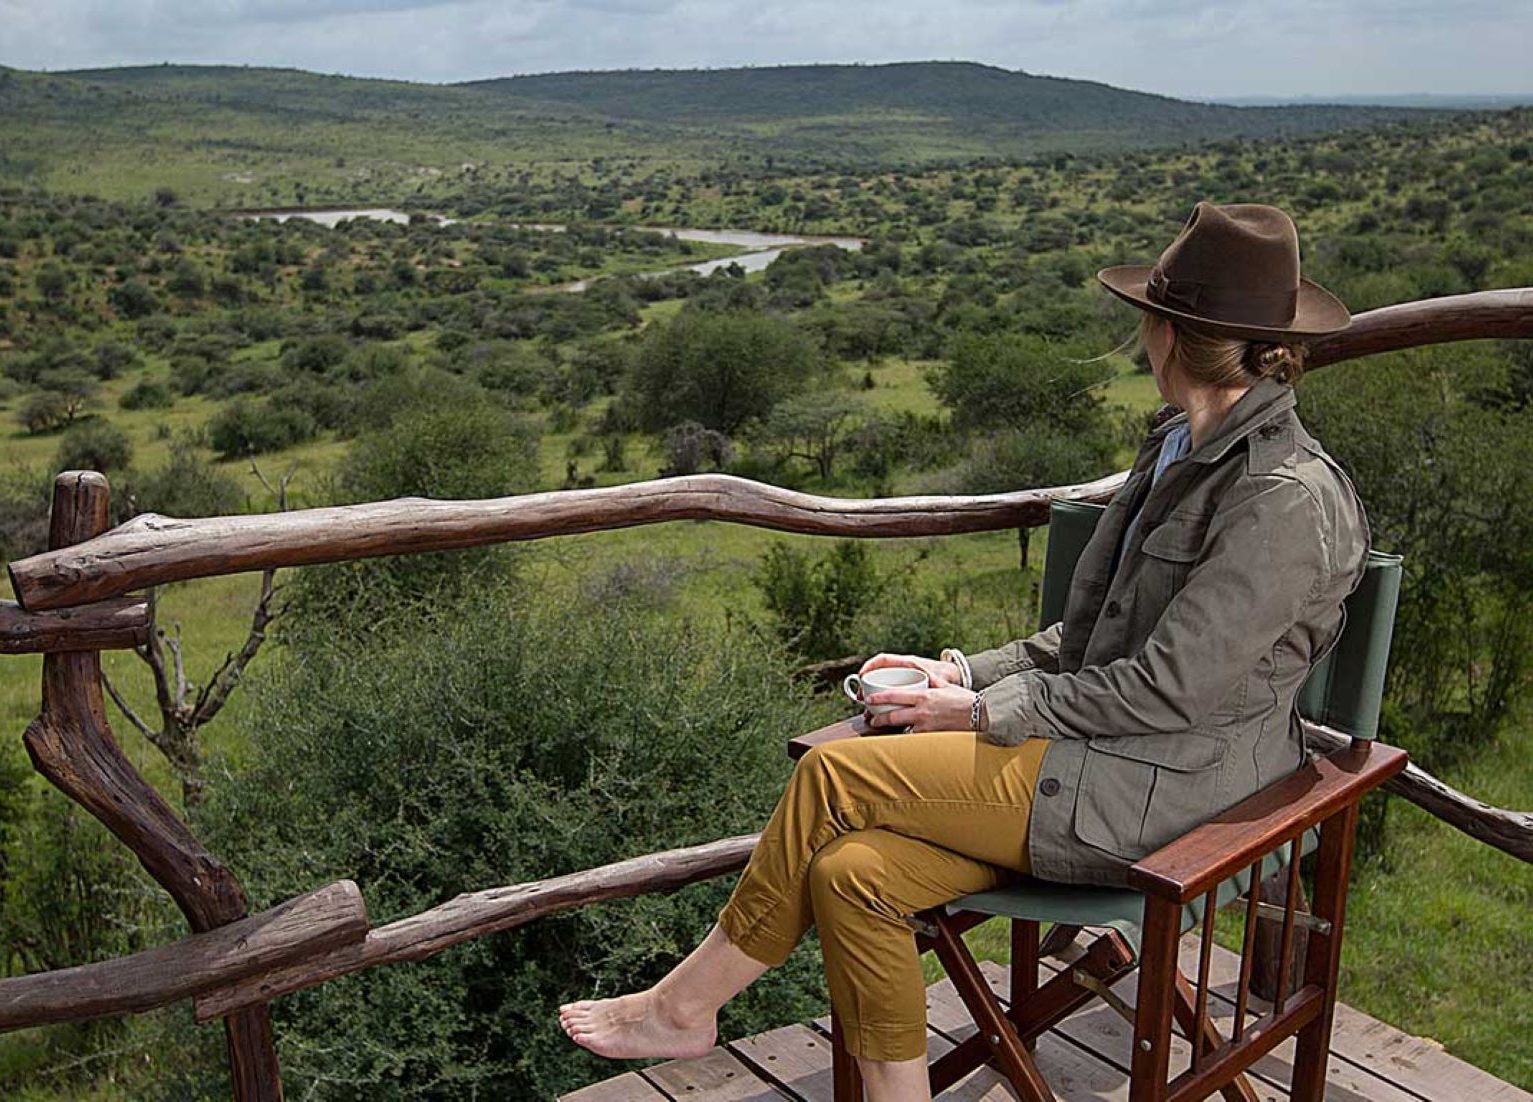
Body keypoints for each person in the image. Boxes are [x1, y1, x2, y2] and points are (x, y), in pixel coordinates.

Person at [558, 201, 1373, 1100]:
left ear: (1170, 334)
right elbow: (1092, 641)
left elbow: (1166, 689)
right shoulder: (1180, 444)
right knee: (853, 874)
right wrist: (959, 674)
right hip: (1101, 764)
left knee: (834, 777)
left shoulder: (1280, 499)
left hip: (1175, 799)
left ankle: (683, 1007)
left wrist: (980, 713)